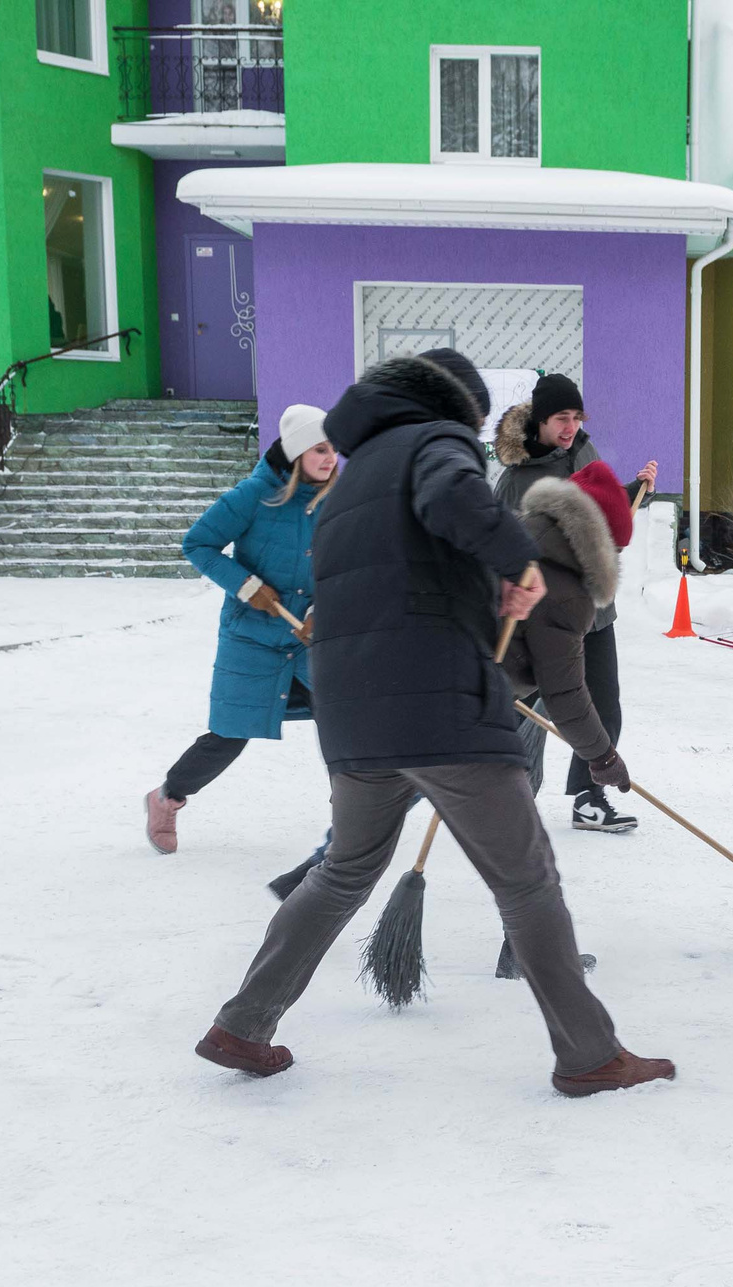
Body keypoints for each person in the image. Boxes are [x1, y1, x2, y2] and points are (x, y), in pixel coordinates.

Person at [193, 348, 672, 1098]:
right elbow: (460, 503)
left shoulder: (357, 477)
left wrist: (485, 596)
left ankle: (242, 1024)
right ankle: (588, 1052)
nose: (477, 434)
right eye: (477, 420)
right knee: (527, 876)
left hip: (352, 711)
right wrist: (519, 562)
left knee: (344, 870)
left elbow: (402, 575)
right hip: (438, 703)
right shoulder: (435, 442)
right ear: (458, 405)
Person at [145, 404, 333, 892]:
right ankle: (167, 797)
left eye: (333, 448)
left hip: (310, 639)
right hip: (253, 635)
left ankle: (351, 830)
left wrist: (323, 610)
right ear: (296, 454)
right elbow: (198, 545)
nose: (331, 458)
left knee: (343, 725)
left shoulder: (338, 500)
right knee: (229, 734)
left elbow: (351, 564)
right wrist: (247, 587)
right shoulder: (254, 496)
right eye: (319, 449)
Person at [493, 372, 657, 835]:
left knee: (604, 705)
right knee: (519, 706)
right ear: (540, 420)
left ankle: (589, 797)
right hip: (534, 615)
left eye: (576, 417)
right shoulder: (514, 479)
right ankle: (496, 793)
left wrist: (631, 493)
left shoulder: (583, 449)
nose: (570, 427)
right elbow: (494, 542)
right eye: (561, 418)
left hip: (590, 607)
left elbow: (598, 511)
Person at [499, 457, 639, 978]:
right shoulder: (567, 588)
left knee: (382, 815)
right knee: (520, 837)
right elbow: (565, 692)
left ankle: (325, 875)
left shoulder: (516, 533)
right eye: (617, 548)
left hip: (443, 691)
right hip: (480, 707)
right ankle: (530, 956)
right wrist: (602, 757)